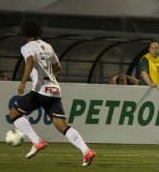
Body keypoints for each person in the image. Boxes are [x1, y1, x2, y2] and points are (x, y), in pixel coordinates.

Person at [8, 20, 95, 166]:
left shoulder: (27, 47)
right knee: (63, 126)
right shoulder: (47, 46)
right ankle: (86, 151)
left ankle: (36, 142)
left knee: (14, 113)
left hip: (41, 90)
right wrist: (48, 75)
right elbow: (58, 66)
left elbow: (30, 61)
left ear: (25, 33)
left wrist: (23, 81)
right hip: (54, 89)